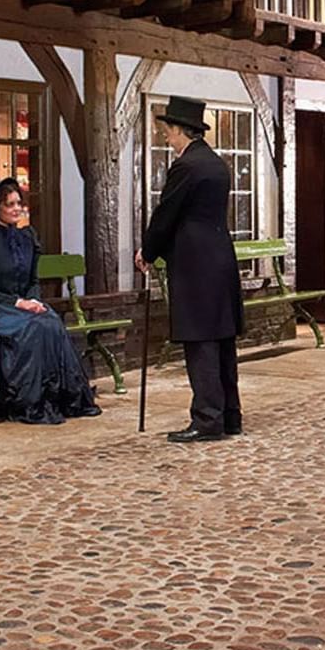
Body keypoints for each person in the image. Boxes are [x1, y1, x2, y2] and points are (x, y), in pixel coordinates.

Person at [135, 97, 243, 443]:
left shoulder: (186, 166)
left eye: (168, 132)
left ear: (182, 130)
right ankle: (229, 416)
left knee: (201, 341)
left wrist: (149, 251)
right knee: (222, 339)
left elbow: (167, 213)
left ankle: (207, 419)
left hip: (196, 262)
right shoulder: (215, 163)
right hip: (220, 256)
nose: (167, 138)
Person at [0, 178, 101, 425]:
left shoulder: (27, 237)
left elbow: (32, 280)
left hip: (23, 305)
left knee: (50, 321)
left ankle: (60, 397)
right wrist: (17, 303)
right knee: (32, 327)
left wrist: (33, 300)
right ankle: (28, 401)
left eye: (19, 203)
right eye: (10, 205)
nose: (17, 209)